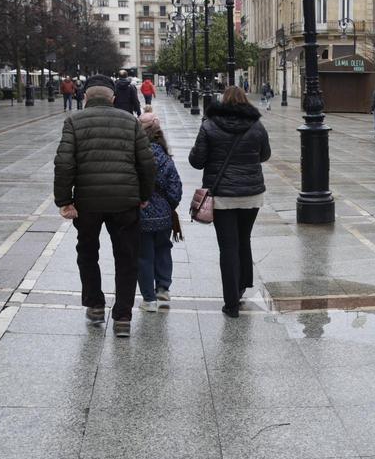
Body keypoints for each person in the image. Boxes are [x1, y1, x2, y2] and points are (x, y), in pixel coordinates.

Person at [54, 75, 156, 337]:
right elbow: (147, 163)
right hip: (124, 202)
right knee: (126, 258)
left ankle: (95, 304)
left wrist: (65, 201)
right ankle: (122, 316)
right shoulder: (130, 122)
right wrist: (144, 195)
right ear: (112, 98)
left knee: (87, 253)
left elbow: (64, 164)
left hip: (88, 202)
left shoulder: (73, 122)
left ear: (85, 97)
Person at [189, 86, 271, 318]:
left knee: (228, 247)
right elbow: (265, 155)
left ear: (223, 102)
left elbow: (197, 161)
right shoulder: (257, 126)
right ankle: (242, 285)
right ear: (245, 102)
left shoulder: (210, 125)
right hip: (251, 194)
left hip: (222, 196)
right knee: (244, 239)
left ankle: (231, 303)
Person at [137, 113, 182, 312]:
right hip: (163, 215)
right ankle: (163, 286)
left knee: (144, 256)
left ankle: (149, 300)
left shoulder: (136, 157)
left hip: (142, 213)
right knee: (163, 249)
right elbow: (176, 188)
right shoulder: (166, 158)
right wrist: (169, 205)